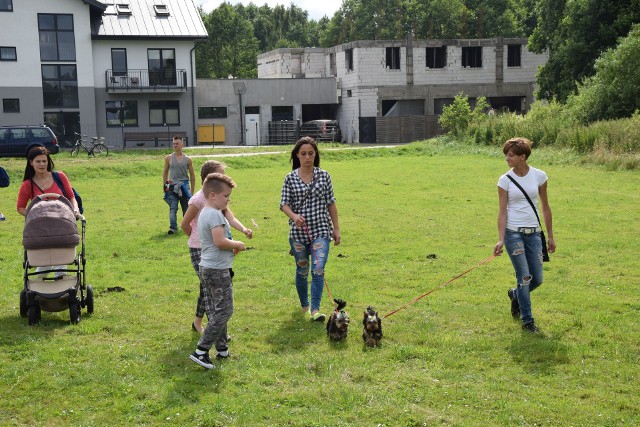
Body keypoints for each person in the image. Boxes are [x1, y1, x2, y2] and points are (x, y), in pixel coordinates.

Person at [181, 160, 252, 333]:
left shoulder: (220, 198)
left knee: (206, 286)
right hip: (200, 250)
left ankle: (197, 322)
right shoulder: (198, 200)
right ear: (210, 179)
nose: (226, 178)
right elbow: (184, 224)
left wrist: (243, 229)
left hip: (217, 248)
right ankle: (218, 334)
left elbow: (230, 217)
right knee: (213, 289)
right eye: (222, 175)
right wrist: (201, 241)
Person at [493, 137, 555, 334]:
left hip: (534, 234)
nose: (507, 159)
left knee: (537, 279)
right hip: (513, 234)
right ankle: (528, 321)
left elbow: (545, 207)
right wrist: (501, 239)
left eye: (510, 155)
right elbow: (502, 211)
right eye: (506, 155)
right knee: (525, 277)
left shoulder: (539, 176)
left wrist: (550, 235)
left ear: (522, 156)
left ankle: (515, 294)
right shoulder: (505, 180)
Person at [280, 136, 341, 322]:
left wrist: (336, 229)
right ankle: (304, 304)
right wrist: (294, 217)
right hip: (298, 233)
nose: (307, 157)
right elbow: (284, 204)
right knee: (302, 270)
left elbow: (331, 203)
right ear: (297, 155)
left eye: (311, 153)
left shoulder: (324, 176)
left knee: (319, 269)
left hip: (321, 230)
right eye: (303, 154)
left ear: (315, 155)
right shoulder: (290, 178)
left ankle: (315, 310)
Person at [189, 173, 245, 369]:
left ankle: (222, 349)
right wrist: (238, 243)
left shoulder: (208, 211)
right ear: (213, 195)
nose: (228, 199)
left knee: (217, 310)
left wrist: (232, 250)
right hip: (216, 270)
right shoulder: (213, 214)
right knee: (224, 311)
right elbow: (220, 241)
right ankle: (201, 351)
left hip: (211, 266)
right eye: (226, 196)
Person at [16, 146, 81, 277]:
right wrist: (34, 216)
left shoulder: (59, 176)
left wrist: (75, 209)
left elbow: (71, 196)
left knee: (61, 257)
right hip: (41, 227)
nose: (42, 164)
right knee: (43, 260)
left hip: (63, 223)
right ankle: (39, 287)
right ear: (31, 163)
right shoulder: (28, 184)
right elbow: (20, 207)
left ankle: (61, 285)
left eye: (44, 161)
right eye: (38, 161)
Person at [163, 136, 195, 234]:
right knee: (173, 208)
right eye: (173, 143)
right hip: (172, 186)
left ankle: (187, 226)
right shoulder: (168, 158)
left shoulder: (188, 159)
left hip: (184, 187)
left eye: (177, 143)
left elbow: (192, 175)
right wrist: (165, 187)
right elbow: (165, 173)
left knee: (186, 208)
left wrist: (192, 190)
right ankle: (173, 228)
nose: (175, 145)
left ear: (182, 145)